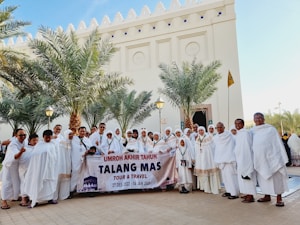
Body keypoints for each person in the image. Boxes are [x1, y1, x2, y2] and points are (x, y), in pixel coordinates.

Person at [251, 112, 289, 207]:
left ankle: (279, 198)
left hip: (273, 158)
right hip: (260, 159)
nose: (258, 119)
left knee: (276, 179)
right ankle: (266, 196)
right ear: (253, 120)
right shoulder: (252, 131)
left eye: (260, 118)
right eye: (256, 118)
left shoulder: (270, 129)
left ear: (263, 119)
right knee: (264, 180)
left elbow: (277, 143)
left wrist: (276, 157)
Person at [23, 130, 58, 208]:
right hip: (40, 170)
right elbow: (35, 157)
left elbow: (56, 156)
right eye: (46, 137)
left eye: (49, 137)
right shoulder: (39, 145)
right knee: (38, 183)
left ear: (51, 137)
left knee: (49, 183)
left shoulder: (53, 144)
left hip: (50, 168)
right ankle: (36, 200)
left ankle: (50, 198)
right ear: (43, 137)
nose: (48, 139)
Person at [1, 128, 27, 209]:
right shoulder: (13, 144)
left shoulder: (24, 141)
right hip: (9, 165)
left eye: (24, 135)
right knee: (7, 183)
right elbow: (15, 156)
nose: (23, 137)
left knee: (16, 182)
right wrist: (21, 152)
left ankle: (14, 197)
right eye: (20, 135)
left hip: (17, 166)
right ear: (16, 135)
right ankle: (4, 201)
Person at [213, 122, 239, 199]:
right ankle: (228, 191)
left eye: (221, 127)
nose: (219, 129)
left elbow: (233, 146)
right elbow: (216, 148)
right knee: (225, 178)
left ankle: (234, 193)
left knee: (231, 177)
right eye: (218, 127)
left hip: (229, 160)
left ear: (224, 127)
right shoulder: (216, 137)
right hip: (221, 160)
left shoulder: (230, 135)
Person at [234, 119, 256, 203]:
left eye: (239, 123)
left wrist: (245, 158)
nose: (237, 125)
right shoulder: (239, 133)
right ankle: (247, 193)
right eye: (236, 124)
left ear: (243, 124)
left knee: (248, 176)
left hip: (246, 158)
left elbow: (247, 146)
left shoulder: (246, 133)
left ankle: (251, 196)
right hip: (240, 159)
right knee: (242, 178)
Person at [194, 126, 221, 194]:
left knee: (210, 171)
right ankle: (205, 188)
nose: (201, 132)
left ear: (204, 130)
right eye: (199, 130)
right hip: (200, 158)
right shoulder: (197, 139)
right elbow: (196, 149)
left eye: (202, 130)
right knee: (203, 172)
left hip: (208, 158)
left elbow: (213, 147)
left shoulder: (208, 137)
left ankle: (213, 187)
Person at [19, 133, 39, 207]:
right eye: (34, 140)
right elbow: (22, 159)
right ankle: (23, 199)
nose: (35, 142)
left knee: (32, 183)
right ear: (29, 140)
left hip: (34, 170)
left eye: (37, 140)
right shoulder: (25, 149)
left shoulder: (38, 149)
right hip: (25, 169)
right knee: (24, 183)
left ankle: (32, 198)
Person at [71, 127, 92, 194]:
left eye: (84, 131)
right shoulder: (74, 139)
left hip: (86, 160)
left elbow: (91, 149)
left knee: (85, 174)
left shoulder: (88, 140)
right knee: (75, 173)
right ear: (78, 131)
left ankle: (86, 190)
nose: (82, 132)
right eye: (81, 131)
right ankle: (72, 190)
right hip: (76, 159)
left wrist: (88, 152)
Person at [53, 129, 73, 201]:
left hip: (68, 164)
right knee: (58, 179)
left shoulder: (71, 143)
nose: (71, 136)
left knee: (66, 180)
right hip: (60, 163)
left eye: (71, 134)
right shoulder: (61, 143)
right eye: (69, 134)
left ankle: (64, 195)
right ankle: (54, 197)